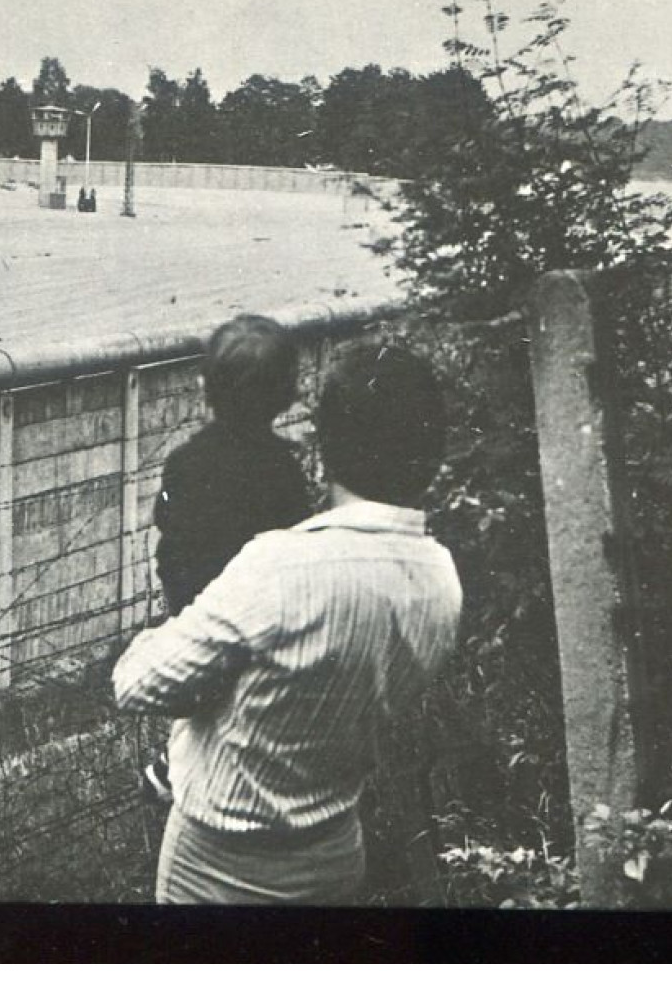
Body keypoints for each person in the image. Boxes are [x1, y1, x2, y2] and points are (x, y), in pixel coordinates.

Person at [113, 339, 462, 905]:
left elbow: (138, 683)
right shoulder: (441, 577)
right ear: (432, 454)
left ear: (324, 448)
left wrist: (150, 641)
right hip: (334, 844)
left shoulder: (281, 565)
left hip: (221, 862)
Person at [140, 314, 314, 800]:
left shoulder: (187, 463)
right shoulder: (285, 471)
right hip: (267, 625)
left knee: (205, 712)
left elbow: (169, 537)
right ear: (286, 395)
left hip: (200, 614)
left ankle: (182, 769)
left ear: (205, 389)